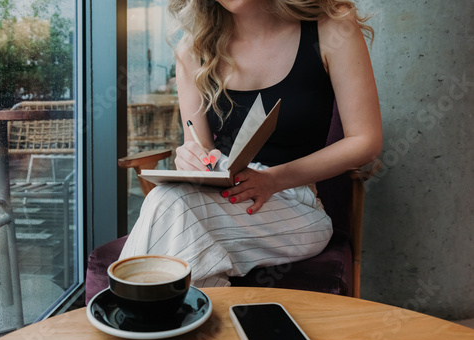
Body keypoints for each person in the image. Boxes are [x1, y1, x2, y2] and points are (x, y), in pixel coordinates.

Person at [119, 0, 382, 287]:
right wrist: (191, 156)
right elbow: (200, 145)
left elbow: (365, 141)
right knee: (171, 204)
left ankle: (130, 314)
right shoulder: (193, 50)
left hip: (298, 208)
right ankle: (196, 320)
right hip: (223, 197)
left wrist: (272, 179)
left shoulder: (332, 26)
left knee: (170, 207)